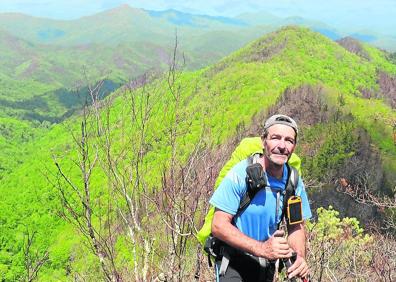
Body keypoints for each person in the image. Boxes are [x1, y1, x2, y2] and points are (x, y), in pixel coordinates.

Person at [210, 114, 312, 281]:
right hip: (233, 262)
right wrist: (262, 249)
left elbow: (295, 227)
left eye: (289, 140)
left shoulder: (292, 181)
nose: (282, 146)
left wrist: (299, 257)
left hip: (265, 265)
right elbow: (219, 225)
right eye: (275, 138)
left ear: (294, 146)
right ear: (264, 141)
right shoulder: (241, 174)